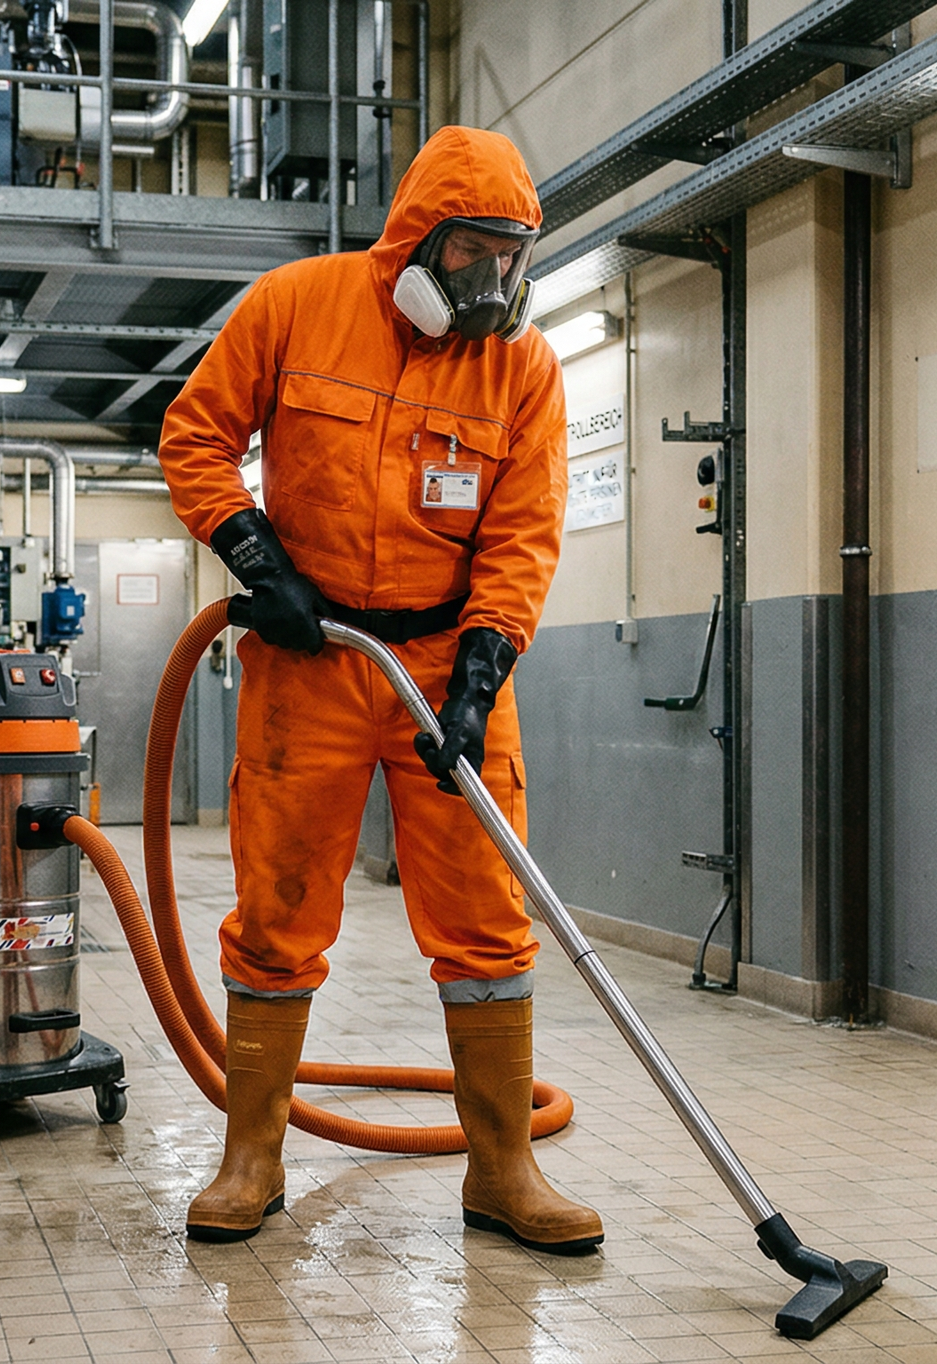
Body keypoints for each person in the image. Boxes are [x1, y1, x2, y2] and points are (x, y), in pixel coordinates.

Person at [157, 126, 597, 1254]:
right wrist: (256, 557)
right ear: (418, 240)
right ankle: (252, 1158)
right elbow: (196, 436)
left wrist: (484, 669)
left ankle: (502, 1168)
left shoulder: (523, 370)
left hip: (445, 665)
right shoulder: (295, 306)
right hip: (311, 659)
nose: (492, 279)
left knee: (487, 917)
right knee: (279, 905)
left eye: (510, 256)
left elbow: (524, 533)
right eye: (472, 253)